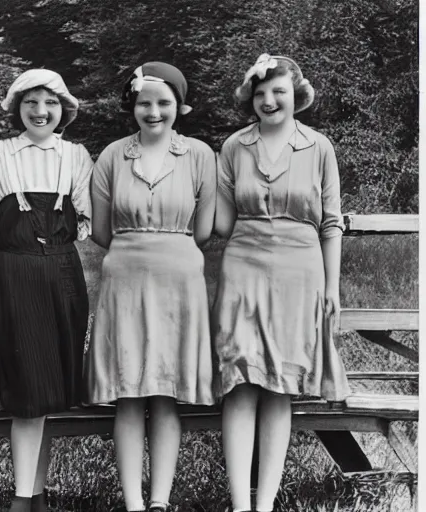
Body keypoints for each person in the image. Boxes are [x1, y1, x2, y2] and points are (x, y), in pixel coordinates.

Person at [212, 54, 350, 512]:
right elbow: (223, 222)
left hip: (300, 271)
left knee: (279, 384)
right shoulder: (234, 146)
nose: (269, 101)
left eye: (279, 92)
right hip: (244, 267)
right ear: (250, 99)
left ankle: (265, 504)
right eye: (260, 93)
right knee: (240, 380)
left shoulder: (319, 146)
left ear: (296, 95)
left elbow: (331, 223)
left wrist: (331, 286)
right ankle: (238, 503)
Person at [84, 62, 216, 512]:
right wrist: (137, 244)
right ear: (132, 106)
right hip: (124, 278)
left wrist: (164, 244)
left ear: (180, 106)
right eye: (145, 103)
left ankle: (159, 499)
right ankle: (134, 502)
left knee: (165, 390)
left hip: (179, 280)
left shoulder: (199, 155)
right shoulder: (111, 156)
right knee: (128, 389)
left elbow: (203, 229)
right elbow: (101, 230)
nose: (154, 111)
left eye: (163, 103)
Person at [0, 69, 92, 512]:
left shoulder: (76, 156)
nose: (41, 112)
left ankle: (36, 494)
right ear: (17, 108)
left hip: (61, 274)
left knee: (49, 390)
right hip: (13, 274)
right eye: (31, 103)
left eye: (51, 103)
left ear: (64, 111)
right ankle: (22, 500)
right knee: (27, 389)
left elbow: (87, 221)